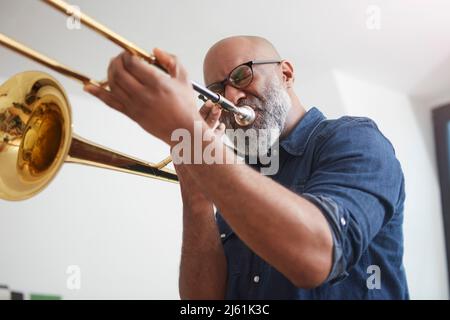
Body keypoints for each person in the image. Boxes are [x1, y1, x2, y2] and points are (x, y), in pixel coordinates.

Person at [84, 35, 409, 299]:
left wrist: (193, 134)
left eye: (241, 75)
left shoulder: (354, 138)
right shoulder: (238, 173)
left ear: (286, 74)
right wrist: (197, 197)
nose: (232, 96)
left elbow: (317, 257)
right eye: (216, 90)